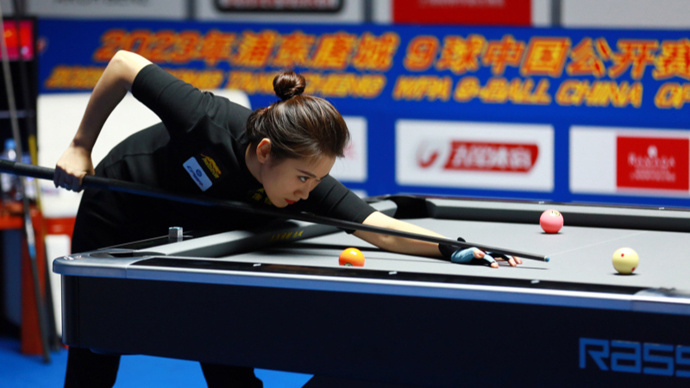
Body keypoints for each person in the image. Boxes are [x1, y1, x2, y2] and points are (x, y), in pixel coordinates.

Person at [54, 50, 522, 387]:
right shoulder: (205, 120)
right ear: (264, 152)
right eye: (303, 178)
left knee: (220, 344)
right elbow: (122, 64)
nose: (308, 191)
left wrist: (455, 248)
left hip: (192, 229)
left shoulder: (302, 182)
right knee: (96, 355)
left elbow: (379, 228)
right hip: (120, 204)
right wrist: (80, 146)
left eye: (317, 181)